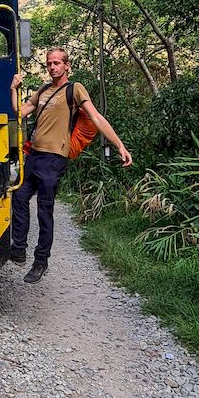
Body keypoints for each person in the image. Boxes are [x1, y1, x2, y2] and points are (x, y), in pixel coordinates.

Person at [10, 47, 132, 283]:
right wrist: (13, 89)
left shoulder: (74, 89)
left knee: (45, 209)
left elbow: (96, 118)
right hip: (34, 155)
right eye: (49, 63)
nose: (52, 67)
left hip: (54, 158)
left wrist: (119, 145)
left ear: (67, 65)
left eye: (57, 63)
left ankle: (41, 261)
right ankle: (19, 248)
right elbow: (20, 113)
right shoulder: (43, 90)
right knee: (19, 196)